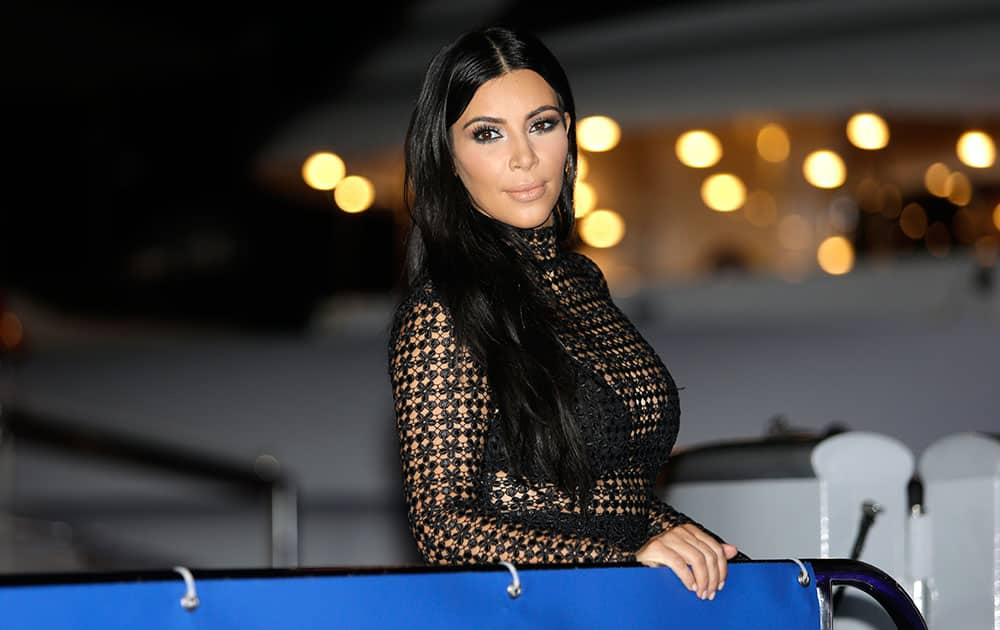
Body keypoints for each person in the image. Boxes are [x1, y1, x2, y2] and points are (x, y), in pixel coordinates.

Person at [387, 24, 742, 601]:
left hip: (614, 601)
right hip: (535, 611)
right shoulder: (442, 313)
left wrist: (678, 538)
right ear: (448, 157)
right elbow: (443, 527)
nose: (524, 158)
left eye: (541, 125)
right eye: (487, 134)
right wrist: (623, 560)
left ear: (568, 134)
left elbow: (610, 494)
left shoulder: (582, 284)